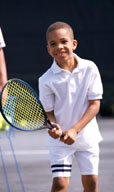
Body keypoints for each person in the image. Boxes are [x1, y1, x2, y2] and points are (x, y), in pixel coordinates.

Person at [39, 21, 103, 192]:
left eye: (63, 41)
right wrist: (52, 126)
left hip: (87, 138)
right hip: (60, 142)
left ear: (73, 44)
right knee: (60, 184)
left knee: (92, 183)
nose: (59, 47)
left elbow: (94, 105)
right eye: (53, 44)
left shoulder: (90, 68)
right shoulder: (45, 80)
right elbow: (48, 113)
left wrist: (75, 130)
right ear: (48, 49)